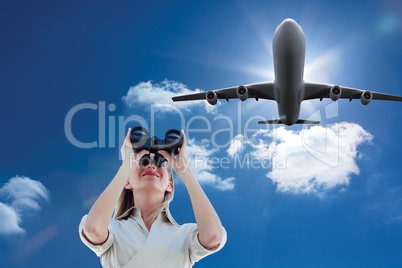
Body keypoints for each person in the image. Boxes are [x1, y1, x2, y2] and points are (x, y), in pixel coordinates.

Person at [79, 128, 227, 267]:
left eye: (159, 163)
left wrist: (186, 172)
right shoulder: (113, 230)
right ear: (127, 182)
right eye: (142, 161)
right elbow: (93, 229)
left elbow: (213, 236)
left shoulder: (184, 235)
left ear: (170, 185)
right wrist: (126, 166)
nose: (151, 165)